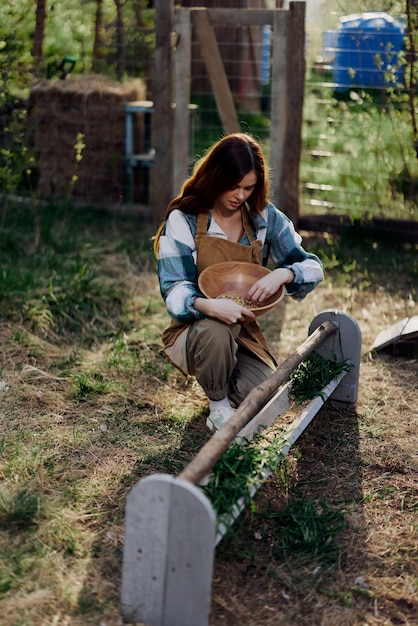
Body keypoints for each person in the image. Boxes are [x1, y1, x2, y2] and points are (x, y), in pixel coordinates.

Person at [154, 133, 323, 432]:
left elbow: (312, 266)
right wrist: (211, 306)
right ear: (214, 177)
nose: (240, 195)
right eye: (232, 186)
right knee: (216, 330)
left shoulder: (263, 218)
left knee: (264, 399)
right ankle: (217, 406)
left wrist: (283, 274)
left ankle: (224, 374)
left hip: (242, 328)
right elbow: (174, 289)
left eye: (248, 187)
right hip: (197, 325)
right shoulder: (185, 219)